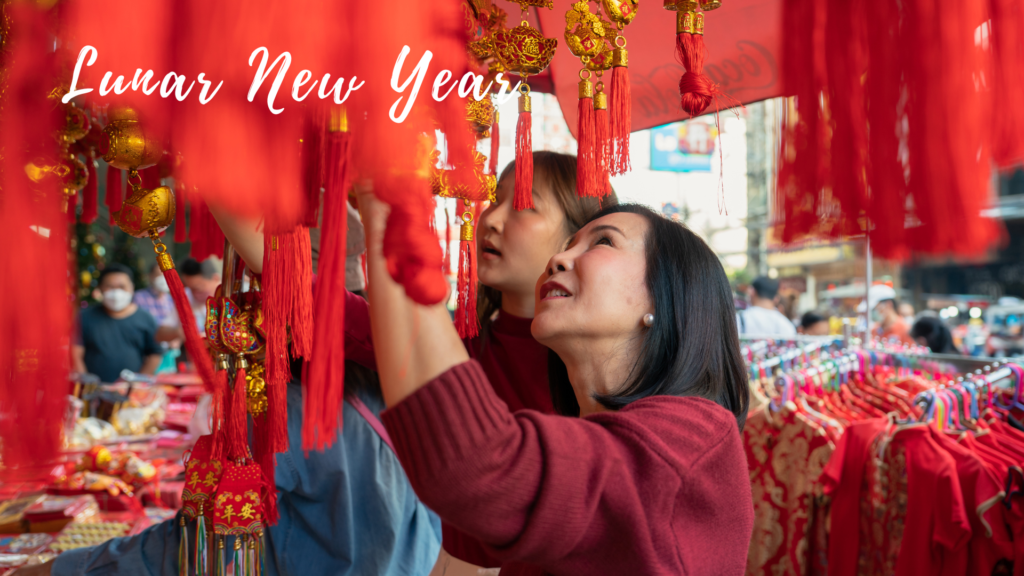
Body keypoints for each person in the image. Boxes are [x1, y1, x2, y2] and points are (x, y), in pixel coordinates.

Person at [361, 193, 753, 575]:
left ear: (664, 297)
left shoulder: (694, 435)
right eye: (566, 244)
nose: (557, 258)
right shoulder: (582, 433)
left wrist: (390, 209)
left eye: (603, 241)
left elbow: (481, 469)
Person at [343, 152, 616, 567]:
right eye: (494, 199)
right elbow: (318, 306)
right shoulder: (457, 348)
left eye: (524, 205)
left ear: (577, 243)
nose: (490, 218)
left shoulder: (612, 372)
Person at [71, 264, 162, 383]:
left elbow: (155, 354)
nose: (116, 292)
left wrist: (137, 383)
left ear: (131, 288)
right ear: (100, 288)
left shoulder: (145, 318)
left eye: (122, 286)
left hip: (131, 393)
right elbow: (75, 353)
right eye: (110, 286)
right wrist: (87, 385)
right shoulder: (84, 317)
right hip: (93, 393)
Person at [133, 263, 185, 344]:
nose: (163, 278)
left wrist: (176, 340)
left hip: (170, 349)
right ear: (150, 276)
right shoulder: (139, 297)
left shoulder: (172, 300)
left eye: (166, 275)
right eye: (159, 275)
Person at [180, 256, 222, 332]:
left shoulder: (230, 298)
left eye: (198, 288)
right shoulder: (186, 296)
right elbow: (161, 333)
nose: (193, 293)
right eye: (190, 288)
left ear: (215, 278)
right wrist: (181, 332)